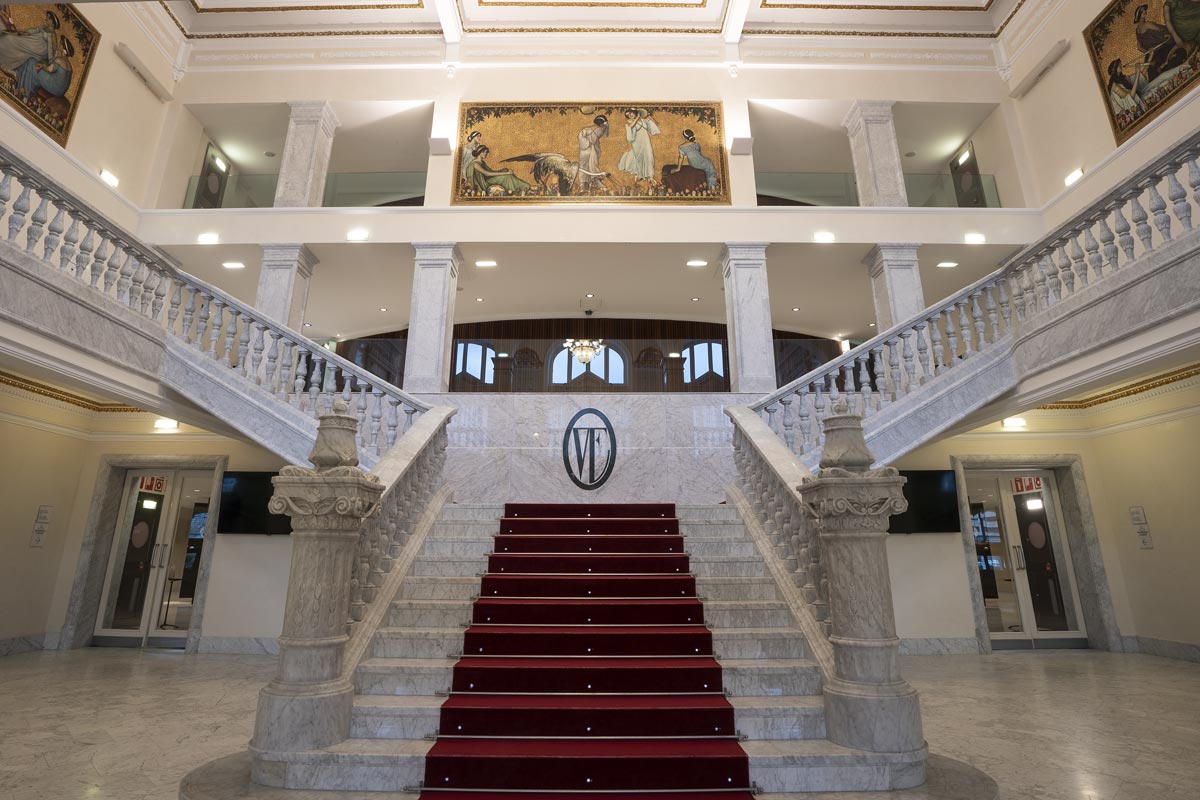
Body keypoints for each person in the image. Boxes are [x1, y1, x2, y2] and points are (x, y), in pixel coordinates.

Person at [0, 9, 58, 75]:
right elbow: (34, 31)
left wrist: (49, 62)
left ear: (53, 23)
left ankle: (7, 65)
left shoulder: (52, 35)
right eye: (47, 17)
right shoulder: (44, 27)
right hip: (30, 41)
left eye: (49, 18)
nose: (46, 19)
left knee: (13, 41)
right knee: (9, 37)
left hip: (38, 49)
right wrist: (25, 32)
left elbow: (51, 50)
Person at [15, 35, 72, 100]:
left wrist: (42, 66)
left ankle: (24, 92)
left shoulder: (60, 60)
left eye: (60, 43)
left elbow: (49, 69)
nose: (59, 44)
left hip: (54, 87)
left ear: (62, 47)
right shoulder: (69, 65)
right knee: (35, 70)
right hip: (60, 91)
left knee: (32, 62)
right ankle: (28, 90)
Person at [465, 145, 533, 196]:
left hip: (488, 179)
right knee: (506, 176)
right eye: (485, 152)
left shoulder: (482, 162)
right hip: (484, 183)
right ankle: (518, 189)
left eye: (486, 152)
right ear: (480, 153)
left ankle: (523, 186)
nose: (486, 154)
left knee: (505, 170)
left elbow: (491, 171)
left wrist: (504, 171)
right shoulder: (475, 164)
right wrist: (506, 173)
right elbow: (487, 174)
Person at [616, 108, 660, 185]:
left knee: (649, 156)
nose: (630, 116)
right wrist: (637, 118)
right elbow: (631, 127)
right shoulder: (630, 122)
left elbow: (656, 124)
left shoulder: (643, 120)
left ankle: (650, 176)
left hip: (646, 141)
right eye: (628, 115)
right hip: (637, 143)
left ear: (635, 112)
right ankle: (640, 174)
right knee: (639, 158)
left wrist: (650, 117)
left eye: (631, 113)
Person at [577, 114, 608, 192]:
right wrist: (588, 143)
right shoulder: (598, 129)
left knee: (590, 166)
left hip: (592, 149)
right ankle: (584, 186)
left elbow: (580, 136)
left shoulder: (588, 129)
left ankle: (592, 184)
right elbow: (580, 136)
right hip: (586, 149)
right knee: (584, 166)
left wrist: (587, 143)